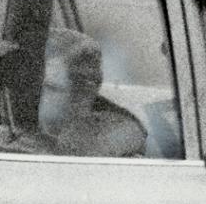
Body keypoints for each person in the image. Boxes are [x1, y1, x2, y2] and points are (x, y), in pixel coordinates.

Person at [38, 27, 147, 159]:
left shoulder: (112, 136)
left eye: (50, 87)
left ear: (81, 95)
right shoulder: (13, 118)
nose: (35, 94)